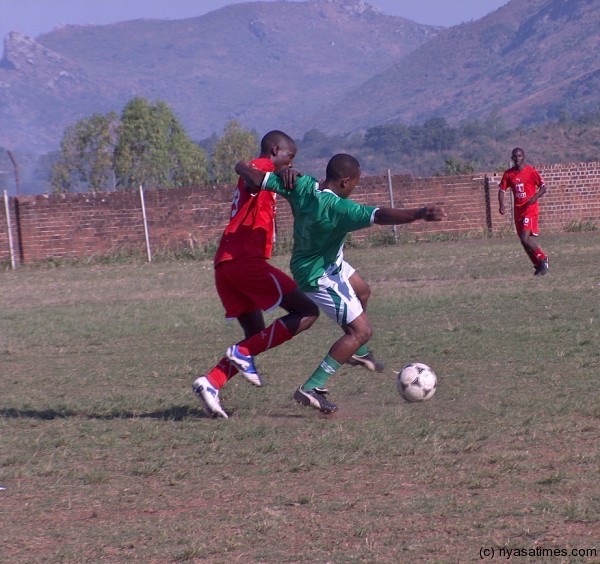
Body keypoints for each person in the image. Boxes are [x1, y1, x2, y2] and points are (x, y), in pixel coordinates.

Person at [235, 153, 444, 413]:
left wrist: (249, 167)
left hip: (325, 261)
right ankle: (312, 387)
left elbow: (251, 174)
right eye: (355, 183)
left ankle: (357, 349)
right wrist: (419, 213)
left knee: (363, 290)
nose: (354, 188)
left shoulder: (301, 185)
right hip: (318, 273)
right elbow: (380, 215)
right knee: (361, 331)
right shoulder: (340, 209)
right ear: (345, 182)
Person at [193, 130, 319, 418]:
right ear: (276, 150)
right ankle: (240, 355)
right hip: (245, 262)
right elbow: (251, 177)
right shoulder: (262, 168)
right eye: (290, 157)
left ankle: (211, 382)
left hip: (225, 265)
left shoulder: (265, 174)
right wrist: (254, 168)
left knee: (254, 336)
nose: (290, 164)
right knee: (307, 310)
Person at [498, 148, 549, 275]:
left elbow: (543, 188)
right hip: (518, 211)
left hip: (529, 210)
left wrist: (534, 198)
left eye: (519, 156)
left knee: (525, 238)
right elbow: (501, 190)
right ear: (512, 158)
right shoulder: (509, 174)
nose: (517, 158)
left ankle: (543, 258)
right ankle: (538, 265)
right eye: (515, 156)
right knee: (522, 241)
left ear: (524, 157)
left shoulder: (531, 172)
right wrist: (502, 205)